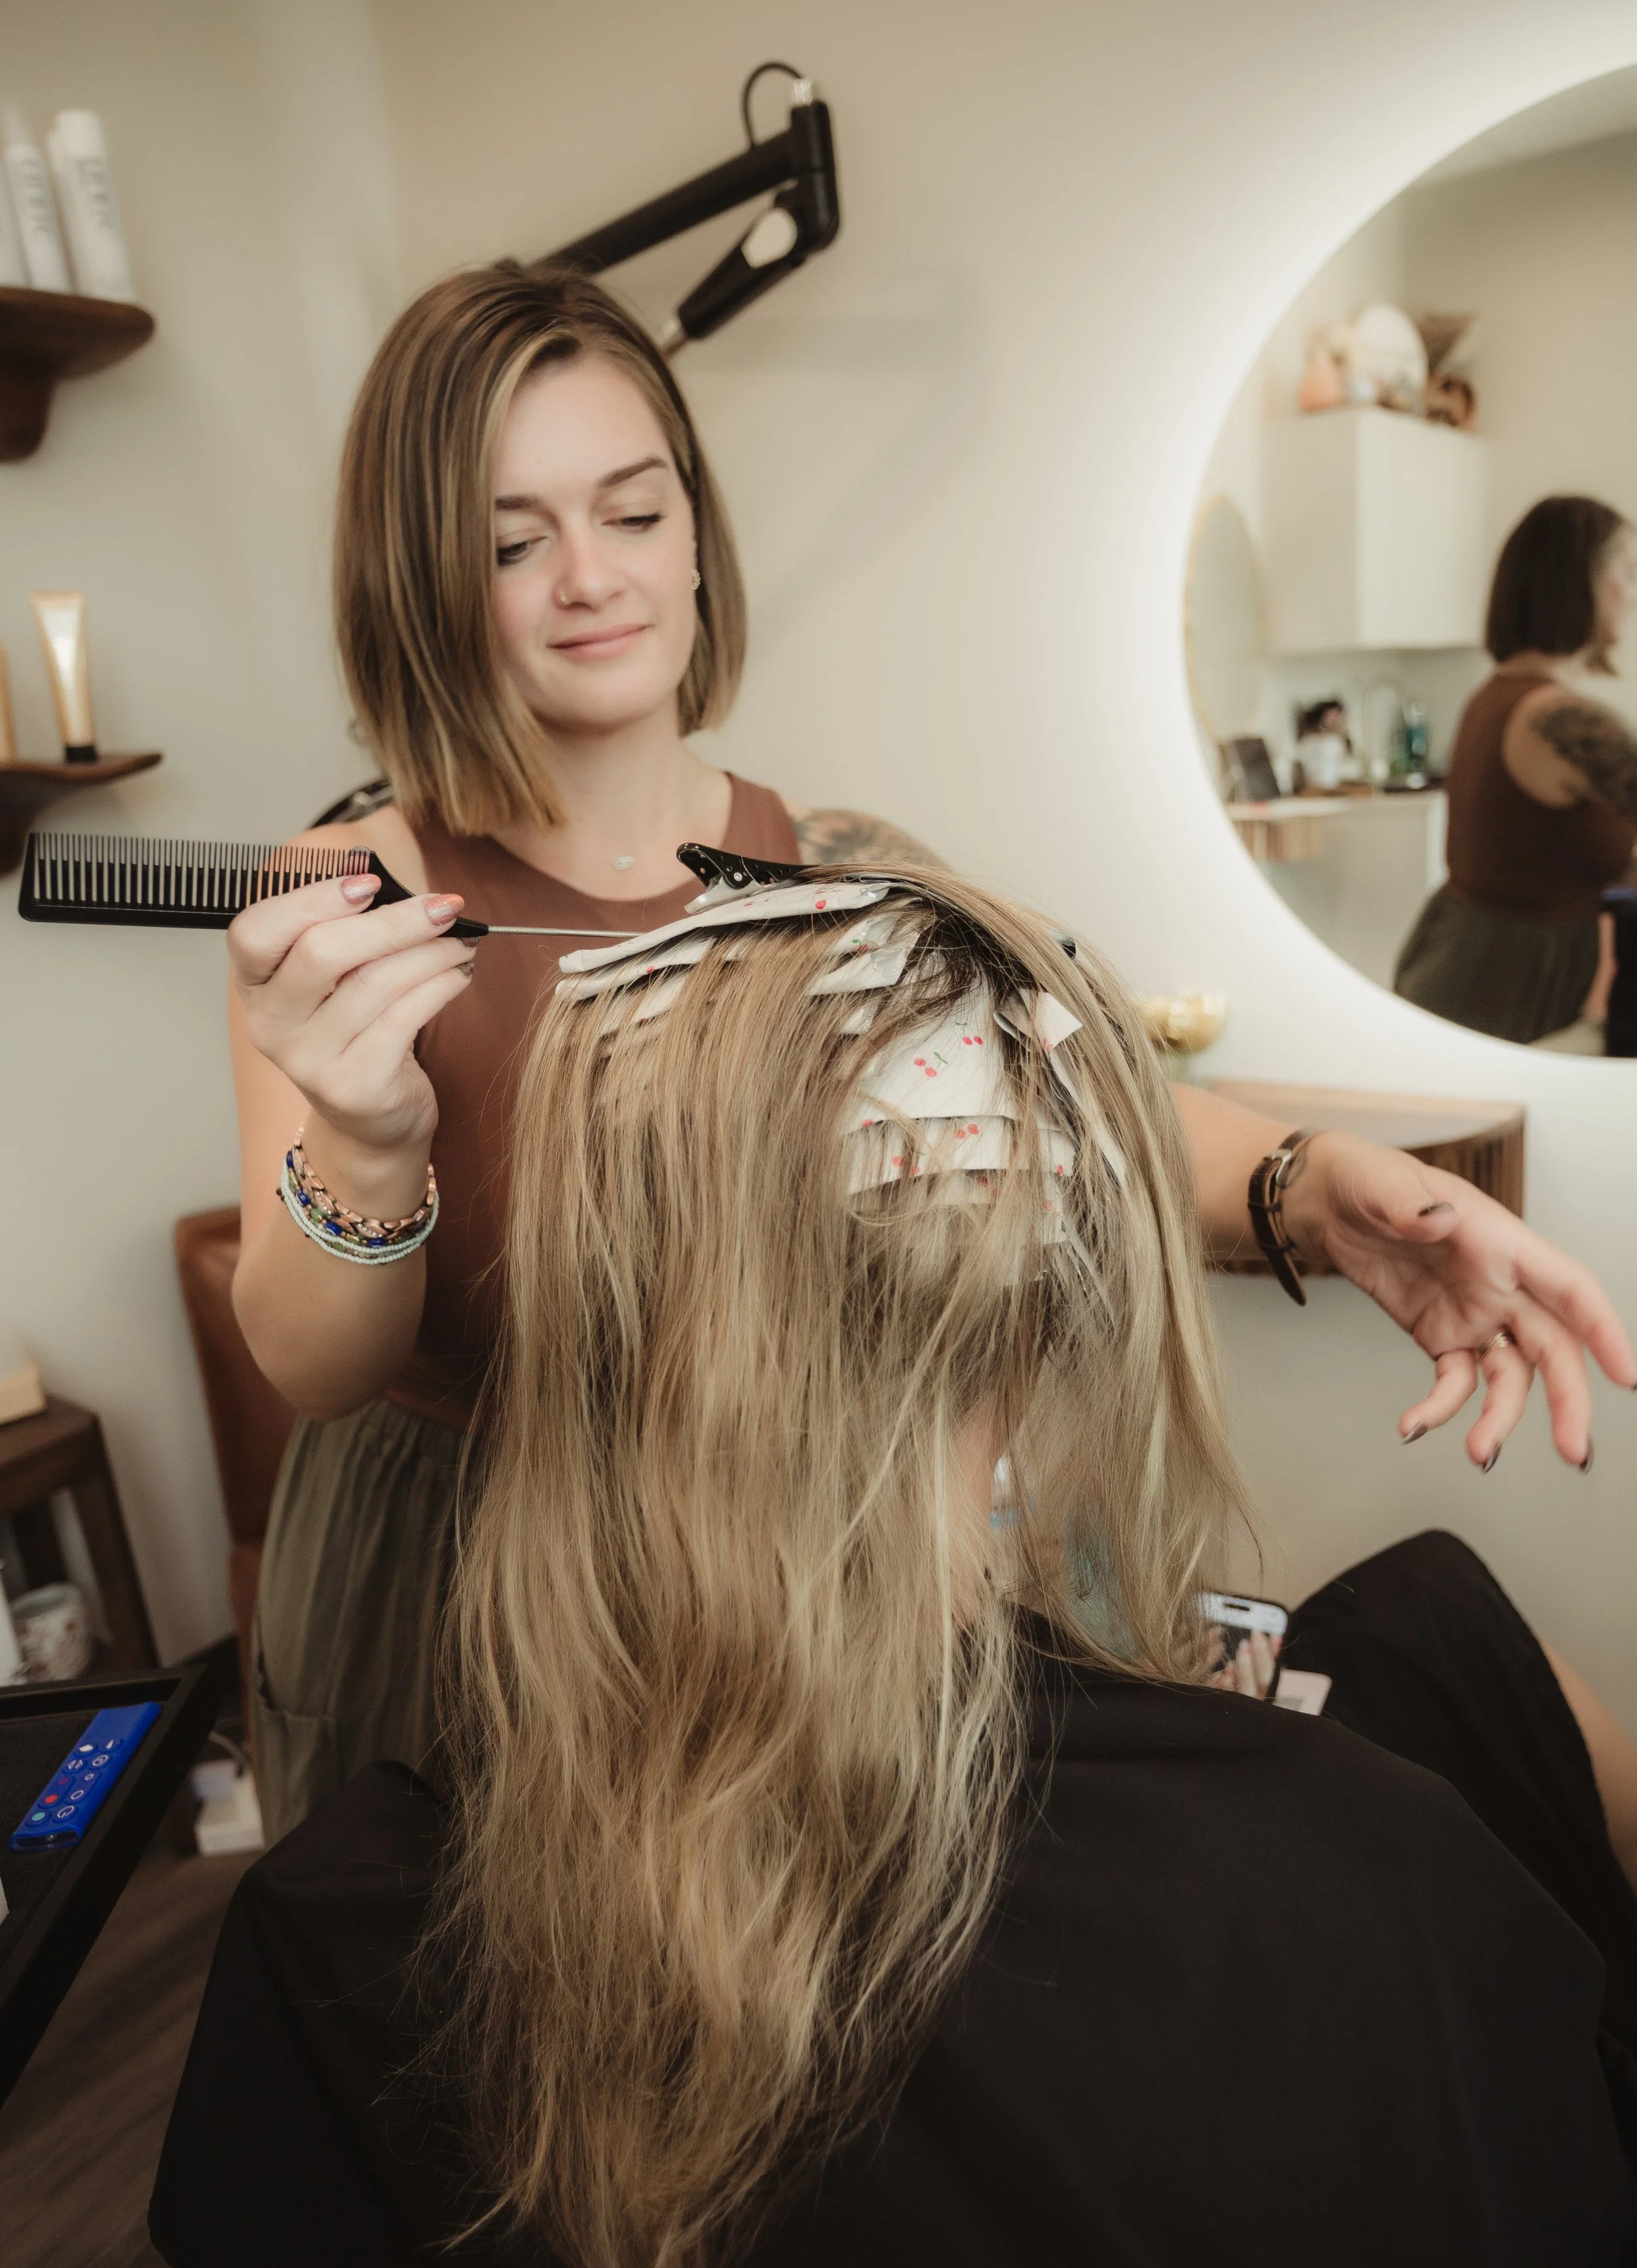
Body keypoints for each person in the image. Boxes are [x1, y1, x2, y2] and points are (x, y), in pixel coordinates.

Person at [230, 273, 1637, 1846]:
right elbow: (311, 1362)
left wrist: (1320, 1189)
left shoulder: (837, 863)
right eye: (510, 541)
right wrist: (362, 1144)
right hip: (463, 1593)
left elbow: (1093, 1097)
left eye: (632, 511)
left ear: (695, 528)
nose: (589, 578)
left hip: (765, 1586)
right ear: (420, 573)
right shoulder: (346, 889)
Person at [158, 871, 1637, 2268]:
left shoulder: (352, 1918)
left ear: (602, 1292)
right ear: (1064, 1292)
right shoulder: (1379, 1866)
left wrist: (1302, 1180)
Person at [1395, 494, 1637, 1043]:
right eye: (1628, 572)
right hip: (1503, 986)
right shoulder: (1559, 719)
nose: (1635, 595)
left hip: (1462, 963)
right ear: (1576, 582)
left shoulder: (1498, 696)